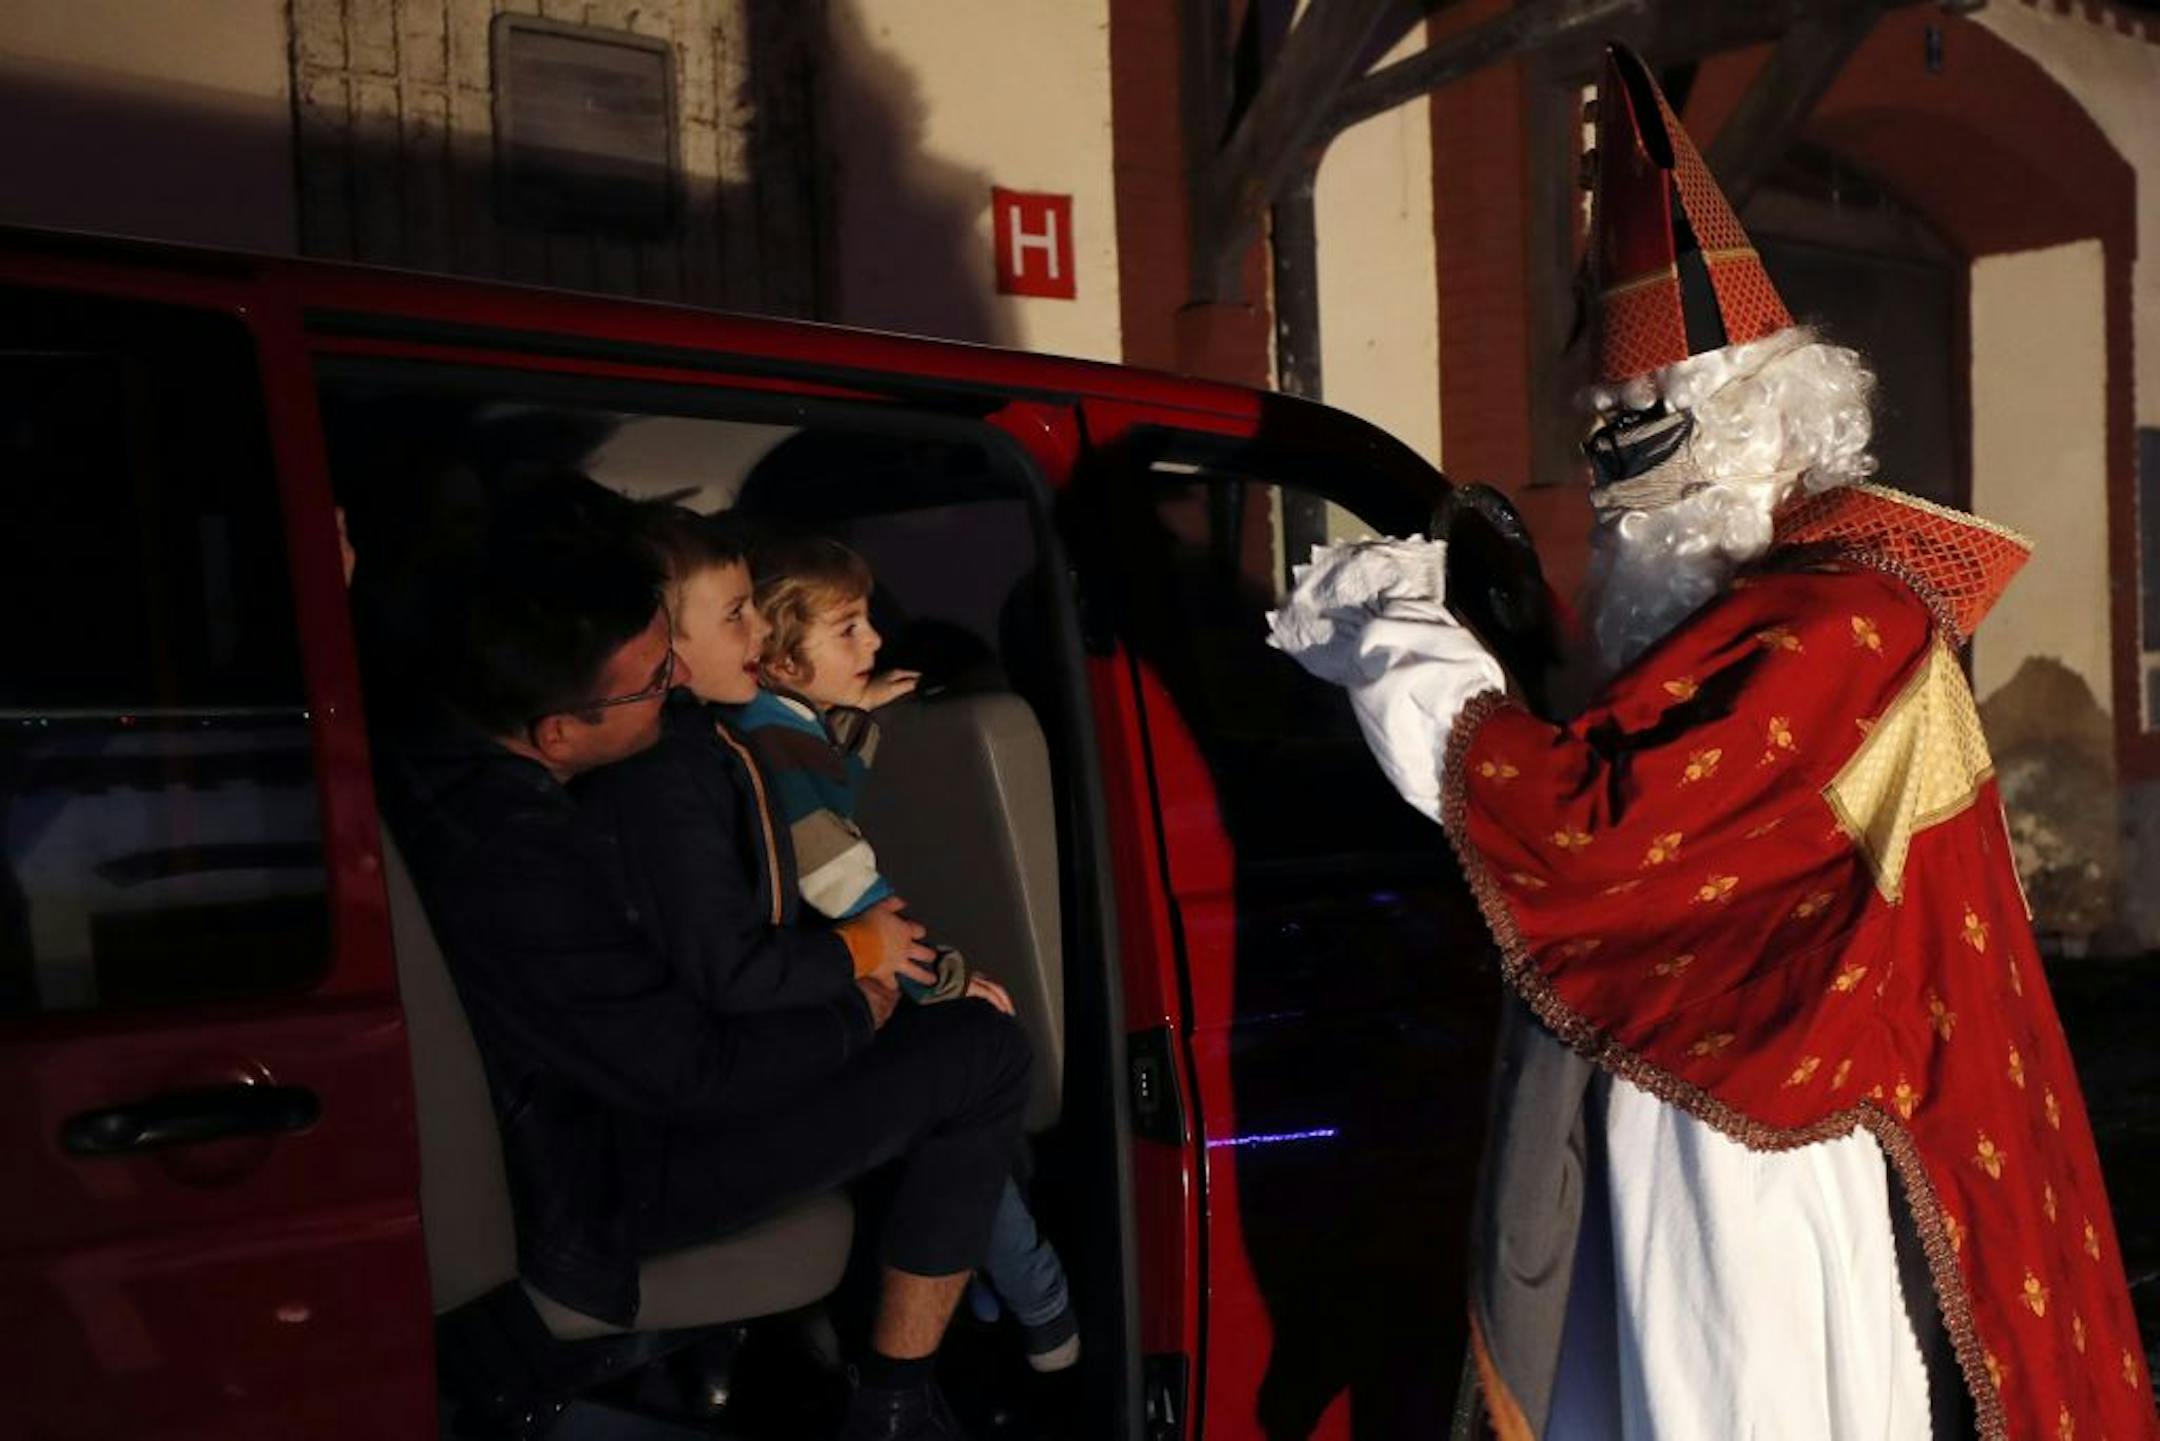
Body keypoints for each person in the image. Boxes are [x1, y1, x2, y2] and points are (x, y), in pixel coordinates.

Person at [1266, 45, 2154, 1441]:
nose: (1616, 483)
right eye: (1604, 436)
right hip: (1678, 1098)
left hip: (1761, 1143)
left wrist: (1403, 653)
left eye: (1646, 432)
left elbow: (1605, 830)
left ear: (1757, 425)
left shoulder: (1836, 625)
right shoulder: (1749, 617)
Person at [381, 484, 1031, 1441]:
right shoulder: (528, 859)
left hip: (612, 1117)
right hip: (614, 1180)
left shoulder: (457, 771)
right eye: (654, 682)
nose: (676, 683)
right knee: (984, 1051)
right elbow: (693, 1068)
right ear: (558, 732)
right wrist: (859, 1003)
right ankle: (892, 1407)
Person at [722, 527, 1081, 1374]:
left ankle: (987, 1292)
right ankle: (1044, 1304)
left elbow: (832, 781)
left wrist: (857, 711)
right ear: (779, 658)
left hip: (823, 988)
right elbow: (845, 885)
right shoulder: (776, 744)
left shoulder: (783, 725)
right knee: (973, 1082)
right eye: (848, 627)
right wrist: (948, 978)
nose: (875, 640)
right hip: (833, 989)